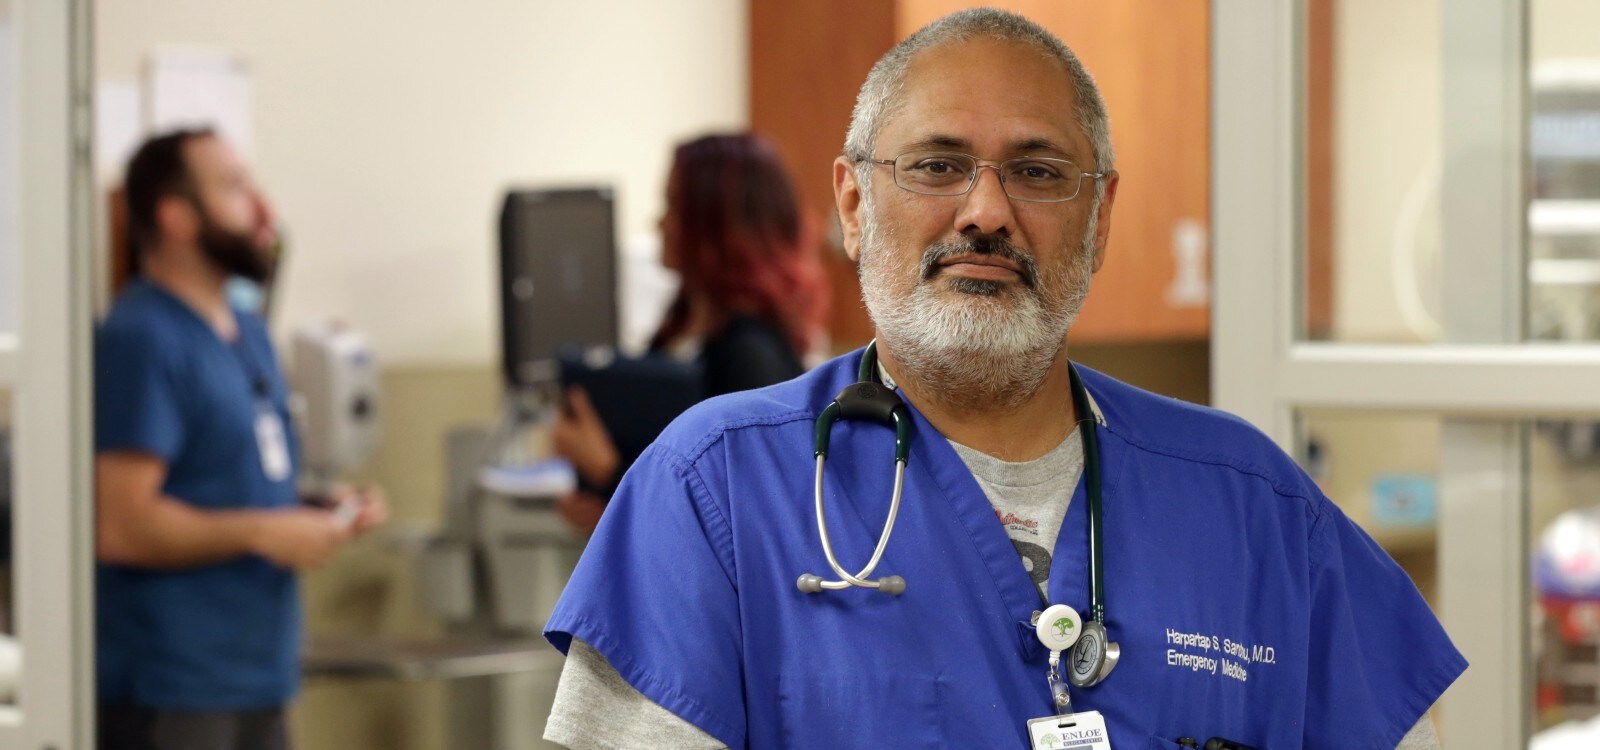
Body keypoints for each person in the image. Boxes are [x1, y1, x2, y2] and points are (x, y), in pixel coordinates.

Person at [543, 9, 1464, 750]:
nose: (986, 213)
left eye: (1037, 171)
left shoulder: (1258, 509)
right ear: (855, 204)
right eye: (938, 165)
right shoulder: (713, 492)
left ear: (1100, 220)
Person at [95, 129, 388, 750]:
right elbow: (120, 524)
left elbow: (237, 480)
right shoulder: (141, 338)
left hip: (261, 677)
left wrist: (320, 508)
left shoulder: (248, 333)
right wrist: (261, 532)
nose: (260, 208)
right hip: (175, 690)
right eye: (232, 187)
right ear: (176, 217)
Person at [551, 133, 827, 533]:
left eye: (673, 206)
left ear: (716, 225)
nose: (659, 222)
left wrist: (607, 471)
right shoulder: (681, 334)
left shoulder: (748, 355)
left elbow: (745, 518)